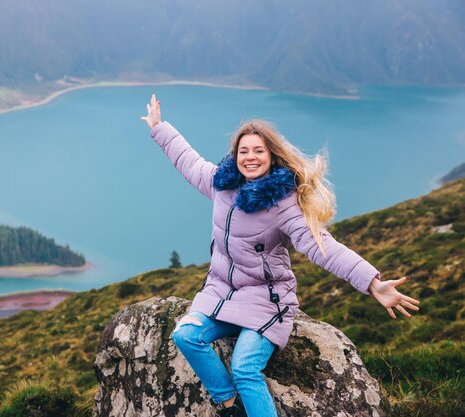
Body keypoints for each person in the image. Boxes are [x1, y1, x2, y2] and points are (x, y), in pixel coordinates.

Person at [140, 94, 420, 417]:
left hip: (266, 301)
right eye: (244, 151)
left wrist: (371, 283)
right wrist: (159, 128)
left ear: (271, 155)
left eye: (258, 151)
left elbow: (322, 247)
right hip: (220, 292)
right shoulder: (221, 185)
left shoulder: (282, 204)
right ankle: (229, 406)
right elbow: (187, 160)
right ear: (235, 156)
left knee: (244, 367)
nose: (250, 157)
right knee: (185, 335)